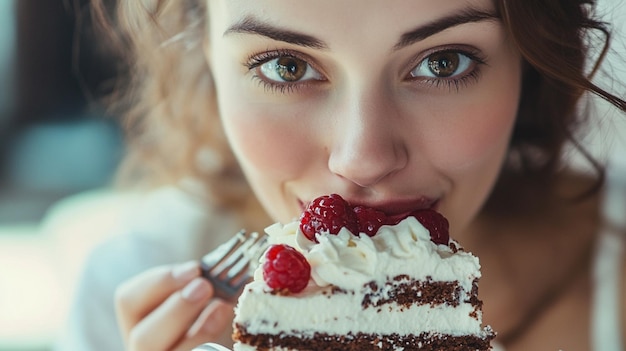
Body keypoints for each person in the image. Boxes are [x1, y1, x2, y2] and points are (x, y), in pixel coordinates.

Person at [54, 0, 626, 350]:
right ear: (204, 54)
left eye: (442, 62)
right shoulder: (127, 295)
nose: (363, 157)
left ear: (526, 61)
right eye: (287, 66)